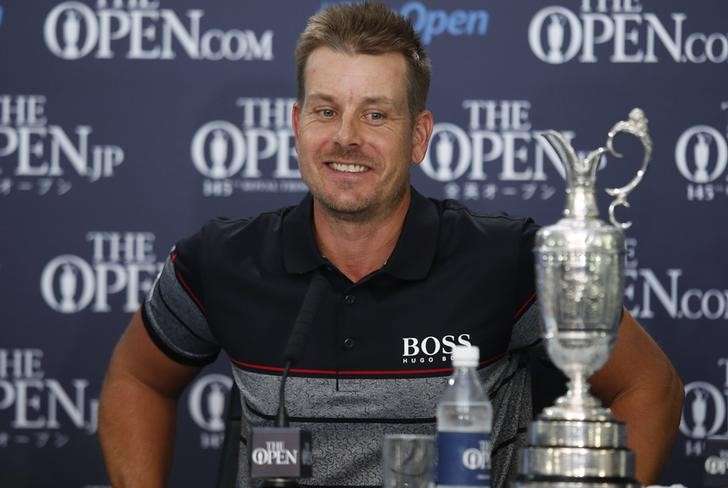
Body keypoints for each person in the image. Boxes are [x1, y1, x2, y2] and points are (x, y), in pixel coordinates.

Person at [98, 3, 684, 487]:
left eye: (376, 115)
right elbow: (137, 379)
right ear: (297, 126)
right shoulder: (220, 260)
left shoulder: (508, 262)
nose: (345, 137)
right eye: (326, 111)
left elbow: (648, 386)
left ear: (419, 137)